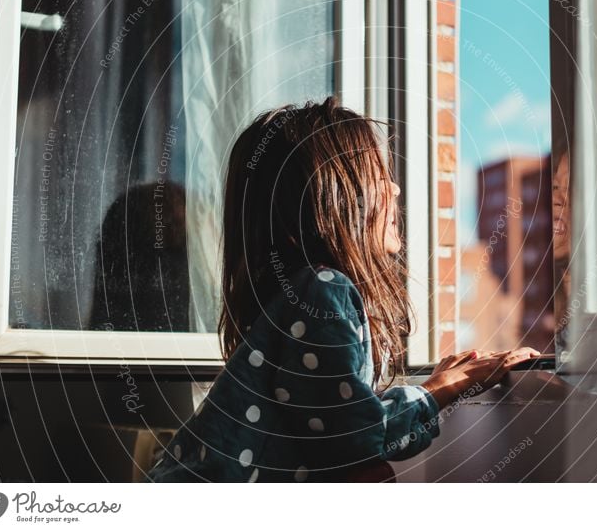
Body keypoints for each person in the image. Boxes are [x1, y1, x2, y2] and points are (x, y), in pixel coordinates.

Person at [148, 97, 539, 482]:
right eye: (377, 178)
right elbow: (358, 440)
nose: (396, 190)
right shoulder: (321, 292)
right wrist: (442, 388)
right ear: (328, 200)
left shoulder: (292, 295)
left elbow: (342, 428)